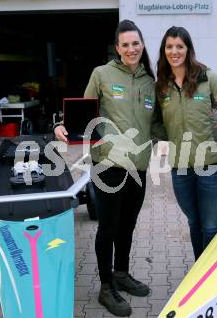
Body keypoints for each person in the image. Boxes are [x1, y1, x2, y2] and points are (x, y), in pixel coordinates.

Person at [55, 20, 162, 317]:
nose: (131, 49)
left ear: (142, 45)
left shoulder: (149, 82)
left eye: (135, 43)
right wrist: (61, 125)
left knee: (128, 225)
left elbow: (156, 125)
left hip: (138, 166)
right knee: (108, 227)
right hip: (107, 165)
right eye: (125, 44)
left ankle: (122, 274)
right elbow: (82, 112)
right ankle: (105, 287)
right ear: (117, 48)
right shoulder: (101, 74)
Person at [155, 26, 217, 260]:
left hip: (211, 165)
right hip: (180, 166)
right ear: (164, 50)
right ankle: (200, 270)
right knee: (194, 222)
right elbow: (156, 123)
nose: (174, 51)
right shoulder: (162, 86)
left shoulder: (208, 78)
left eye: (179, 46)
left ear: (188, 49)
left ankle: (212, 276)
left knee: (209, 225)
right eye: (169, 46)